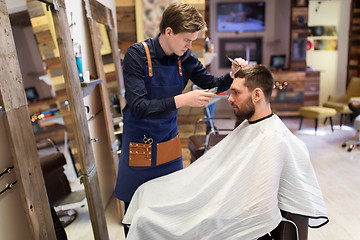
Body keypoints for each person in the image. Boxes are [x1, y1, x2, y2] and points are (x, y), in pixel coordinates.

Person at [122, 65, 328, 239]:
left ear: (257, 95)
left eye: (236, 92)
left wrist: (211, 208)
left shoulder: (272, 137)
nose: (229, 98)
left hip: (224, 208)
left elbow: (259, 209)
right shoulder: (251, 126)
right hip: (212, 195)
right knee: (145, 191)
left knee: (145, 218)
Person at [114, 3, 247, 235]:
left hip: (168, 144)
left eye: (193, 40)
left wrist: (232, 75)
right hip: (140, 148)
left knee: (170, 211)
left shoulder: (185, 58)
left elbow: (213, 85)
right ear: (168, 32)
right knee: (136, 216)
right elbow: (138, 106)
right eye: (186, 39)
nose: (189, 46)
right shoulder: (137, 55)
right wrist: (182, 100)